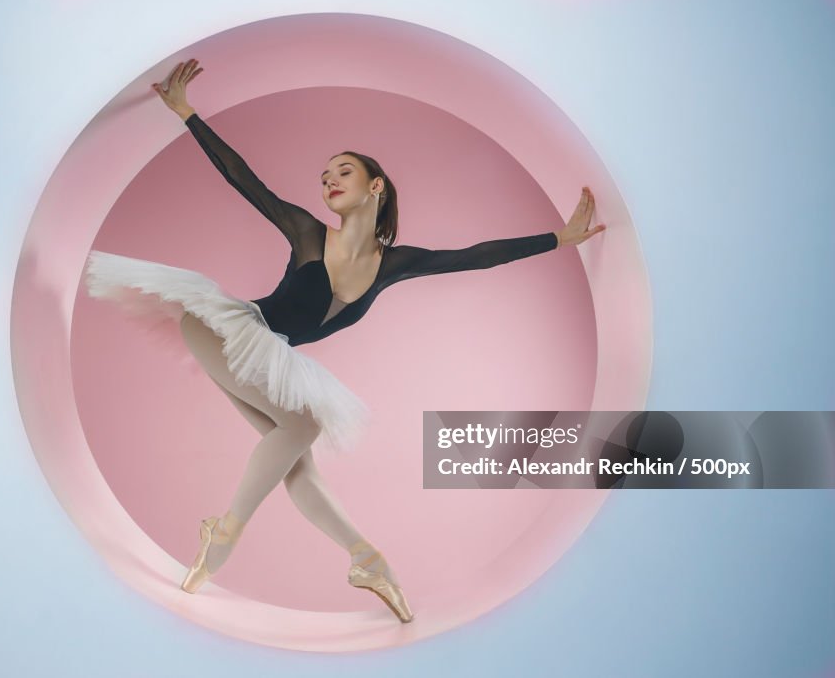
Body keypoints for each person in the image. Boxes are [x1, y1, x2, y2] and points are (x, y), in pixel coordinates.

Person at [84, 59, 606, 623]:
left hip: (268, 358)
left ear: (375, 186)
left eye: (344, 172)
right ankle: (225, 532)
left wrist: (561, 238)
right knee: (302, 427)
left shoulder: (394, 265)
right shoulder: (307, 233)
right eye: (325, 175)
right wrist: (186, 112)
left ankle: (368, 560)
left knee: (296, 462)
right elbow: (244, 180)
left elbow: (476, 256)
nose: (329, 180)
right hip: (222, 329)